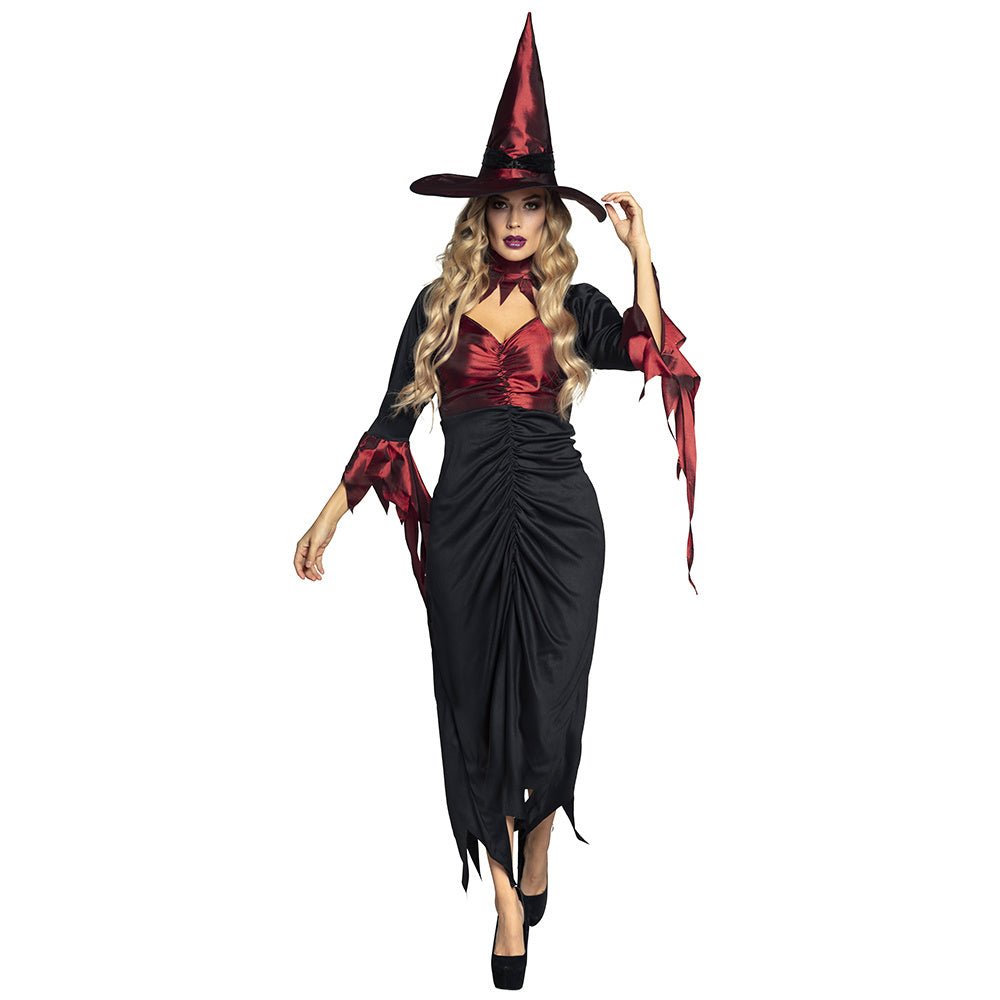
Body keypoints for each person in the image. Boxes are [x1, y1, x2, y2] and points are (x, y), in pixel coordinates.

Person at [293, 14, 700, 991]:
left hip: (561, 525)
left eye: (531, 205)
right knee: (472, 704)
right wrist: (327, 518)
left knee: (552, 699)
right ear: (478, 216)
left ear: (550, 219)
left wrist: (641, 248)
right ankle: (507, 898)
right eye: (500, 204)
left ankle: (541, 837)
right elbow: (391, 422)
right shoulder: (436, 307)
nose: (515, 219)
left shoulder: (572, 305)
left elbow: (655, 350)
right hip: (467, 527)